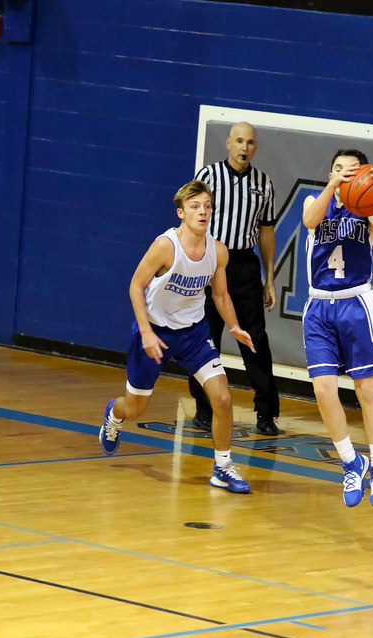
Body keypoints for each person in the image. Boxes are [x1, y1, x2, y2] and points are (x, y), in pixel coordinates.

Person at [99, 180, 257, 494]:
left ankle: (222, 468)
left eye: (207, 206)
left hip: (195, 333)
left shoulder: (218, 250)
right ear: (181, 213)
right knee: (135, 409)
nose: (203, 212)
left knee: (223, 398)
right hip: (155, 332)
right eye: (195, 207)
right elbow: (135, 286)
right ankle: (114, 416)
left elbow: (221, 294)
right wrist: (145, 331)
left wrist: (235, 326)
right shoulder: (165, 246)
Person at [301, 149, 373, 509]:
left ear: (363, 176)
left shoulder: (368, 207)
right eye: (338, 169)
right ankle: (349, 461)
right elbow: (310, 221)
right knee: (324, 389)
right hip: (318, 305)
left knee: (368, 390)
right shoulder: (316, 200)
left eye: (351, 170)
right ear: (330, 173)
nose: (344, 174)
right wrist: (332, 187)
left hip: (357, 303)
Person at [187, 122, 281, 437]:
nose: (244, 147)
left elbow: (266, 232)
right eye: (239, 141)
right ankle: (203, 409)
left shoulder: (264, 183)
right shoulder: (208, 176)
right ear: (228, 143)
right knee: (204, 336)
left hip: (243, 264)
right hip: (209, 260)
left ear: (255, 147)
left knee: (255, 339)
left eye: (250, 142)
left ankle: (266, 414)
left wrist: (269, 277)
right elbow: (190, 219)